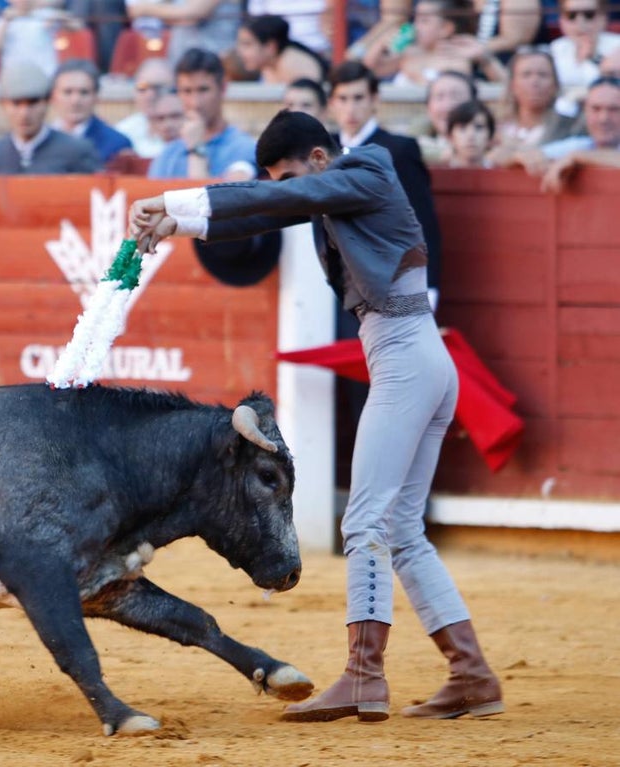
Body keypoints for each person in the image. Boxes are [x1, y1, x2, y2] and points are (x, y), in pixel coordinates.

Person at [129, 108, 505, 724]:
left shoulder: (371, 167)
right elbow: (275, 206)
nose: (285, 189)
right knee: (402, 529)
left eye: (288, 176)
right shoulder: (340, 190)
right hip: (417, 354)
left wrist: (171, 194)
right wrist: (177, 222)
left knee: (364, 524)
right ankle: (472, 675)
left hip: (407, 358)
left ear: (320, 160)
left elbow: (284, 198)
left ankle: (364, 675)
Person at [327, 61, 442, 303]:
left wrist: (428, 286)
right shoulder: (322, 151)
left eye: (359, 98)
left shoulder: (399, 150)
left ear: (375, 100)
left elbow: (421, 220)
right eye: (343, 98)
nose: (351, 108)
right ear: (331, 103)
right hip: (332, 284)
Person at [147, 48, 257, 181]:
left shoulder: (243, 147)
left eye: (203, 90)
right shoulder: (169, 153)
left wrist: (196, 149)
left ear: (222, 88)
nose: (195, 103)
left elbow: (219, 200)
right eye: (187, 91)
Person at [0, 58, 101, 174]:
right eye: (16, 104)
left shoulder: (77, 151)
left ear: (47, 102)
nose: (24, 113)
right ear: (3, 104)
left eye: (33, 103)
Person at [502, 76, 620, 191]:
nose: (604, 118)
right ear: (585, 111)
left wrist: (578, 157)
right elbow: (497, 159)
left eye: (614, 109)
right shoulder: (578, 146)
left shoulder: (576, 152)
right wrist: (519, 157)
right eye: (596, 109)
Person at [362, 0, 504, 87]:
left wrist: (416, 74)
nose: (416, 27)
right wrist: (381, 45)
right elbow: (371, 69)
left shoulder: (456, 60)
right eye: (416, 19)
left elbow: (447, 95)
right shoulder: (409, 53)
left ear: (446, 29)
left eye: (424, 21)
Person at [486, 47, 578, 162]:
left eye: (543, 75)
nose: (535, 82)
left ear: (555, 85)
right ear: (512, 85)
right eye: (526, 75)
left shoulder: (570, 127)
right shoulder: (492, 127)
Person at [49, 58, 135, 165]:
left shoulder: (116, 144)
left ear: (96, 97)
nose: (75, 100)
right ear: (53, 96)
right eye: (68, 92)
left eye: (84, 92)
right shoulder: (40, 139)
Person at [124, 0, 241, 66]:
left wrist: (146, 9)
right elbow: (173, 15)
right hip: (184, 63)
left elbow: (192, 15)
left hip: (214, 62)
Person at [0, 0, 74, 78]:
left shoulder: (47, 14)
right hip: (15, 76)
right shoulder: (2, 21)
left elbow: (76, 26)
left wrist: (61, 18)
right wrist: (6, 22)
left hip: (46, 74)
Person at [407, 70, 478, 164]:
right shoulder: (411, 139)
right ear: (428, 106)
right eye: (439, 97)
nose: (447, 107)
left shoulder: (495, 143)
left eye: (456, 96)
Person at [550, 0, 620, 93]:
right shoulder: (556, 48)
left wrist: (593, 59)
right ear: (561, 20)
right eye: (571, 15)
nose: (580, 22)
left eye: (589, 15)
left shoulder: (617, 45)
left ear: (603, 18)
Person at [235, 14, 327, 85]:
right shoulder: (267, 66)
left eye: (247, 44)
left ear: (270, 46)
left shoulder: (294, 64)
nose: (240, 51)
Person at [114, 57, 175, 159]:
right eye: (142, 88)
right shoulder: (123, 132)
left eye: (157, 88)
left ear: (174, 91)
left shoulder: (187, 132)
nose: (149, 95)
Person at [444, 98, 496, 166]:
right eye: (462, 128)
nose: (471, 135)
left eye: (479, 127)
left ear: (490, 137)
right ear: (450, 137)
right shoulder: (436, 174)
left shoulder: (502, 173)